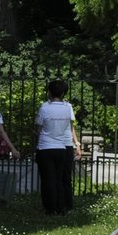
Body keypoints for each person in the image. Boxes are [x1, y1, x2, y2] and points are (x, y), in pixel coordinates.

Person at [34, 79, 82, 215]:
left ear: (49, 92)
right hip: (62, 146)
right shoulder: (68, 107)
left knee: (48, 179)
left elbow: (38, 127)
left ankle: (50, 207)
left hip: (46, 147)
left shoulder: (44, 107)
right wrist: (76, 143)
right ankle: (62, 207)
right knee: (60, 179)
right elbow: (69, 125)